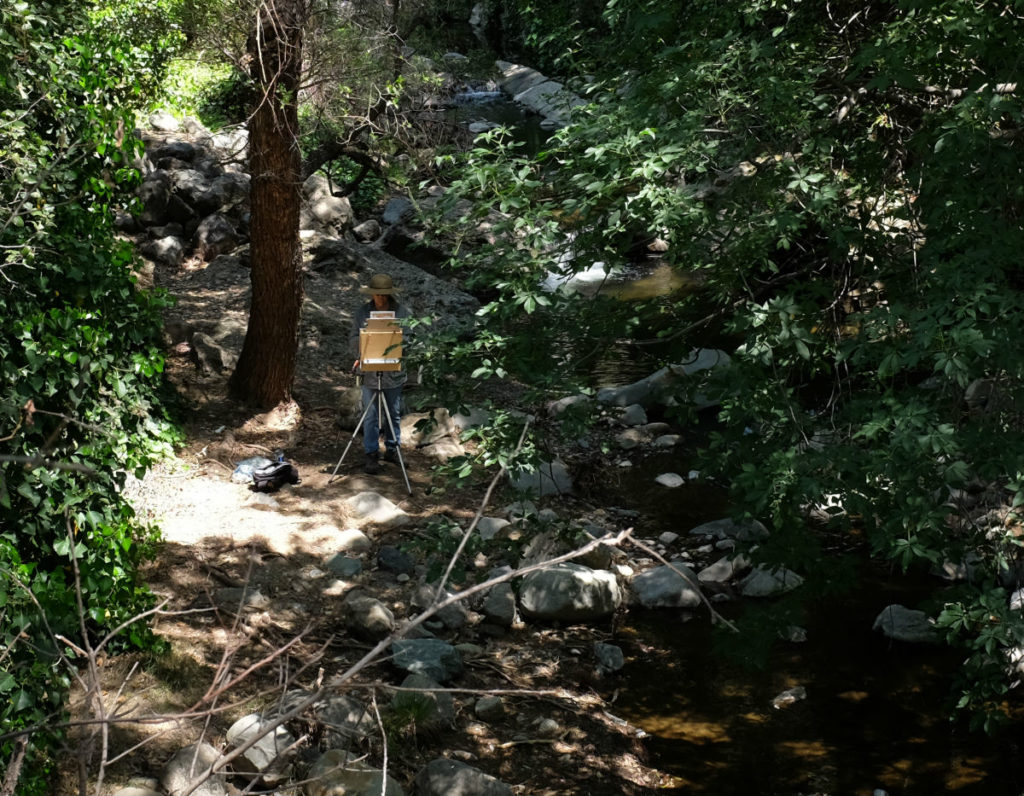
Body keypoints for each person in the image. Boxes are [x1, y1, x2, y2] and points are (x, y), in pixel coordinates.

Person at [349, 273, 409, 474]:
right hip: (370, 371)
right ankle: (371, 453)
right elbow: (353, 337)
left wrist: (399, 346)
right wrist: (362, 351)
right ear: (372, 294)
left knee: (394, 412)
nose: (381, 298)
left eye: (384, 295)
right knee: (371, 414)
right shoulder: (362, 312)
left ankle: (393, 449)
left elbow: (410, 337)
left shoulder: (401, 312)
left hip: (394, 370)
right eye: (378, 294)